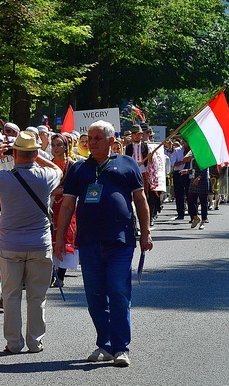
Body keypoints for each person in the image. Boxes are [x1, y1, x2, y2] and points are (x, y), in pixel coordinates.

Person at [55, 120, 153, 368]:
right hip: (88, 242)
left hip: (121, 241)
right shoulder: (78, 169)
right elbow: (67, 205)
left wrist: (146, 233)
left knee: (118, 291)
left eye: (98, 138)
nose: (92, 142)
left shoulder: (127, 164)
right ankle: (105, 345)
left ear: (111, 141)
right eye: (89, 138)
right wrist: (59, 239)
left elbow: (141, 201)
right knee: (95, 296)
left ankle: (121, 347)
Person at [0, 130, 62, 354]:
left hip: (10, 244)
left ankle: (13, 343)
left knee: (11, 296)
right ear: (34, 153)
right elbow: (58, 169)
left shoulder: (4, 178)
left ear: (15, 153)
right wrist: (38, 154)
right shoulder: (45, 176)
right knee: (37, 296)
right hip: (40, 244)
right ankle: (35, 341)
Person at [49, 133, 77, 285]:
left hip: (67, 204)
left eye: (59, 145)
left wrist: (60, 191)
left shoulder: (72, 165)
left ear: (66, 146)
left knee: (65, 233)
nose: (56, 148)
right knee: (51, 234)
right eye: (53, 145)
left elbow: (73, 187)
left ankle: (61, 275)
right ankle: (51, 273)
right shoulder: (48, 164)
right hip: (51, 204)